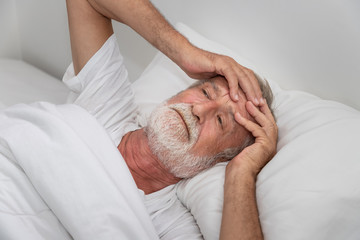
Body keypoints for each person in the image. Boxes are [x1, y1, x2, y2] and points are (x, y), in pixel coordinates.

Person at [64, 0, 278, 239]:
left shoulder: (167, 225)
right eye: (206, 93)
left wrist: (242, 172)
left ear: (217, 161)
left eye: (220, 121)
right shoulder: (107, 106)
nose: (200, 109)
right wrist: (186, 54)